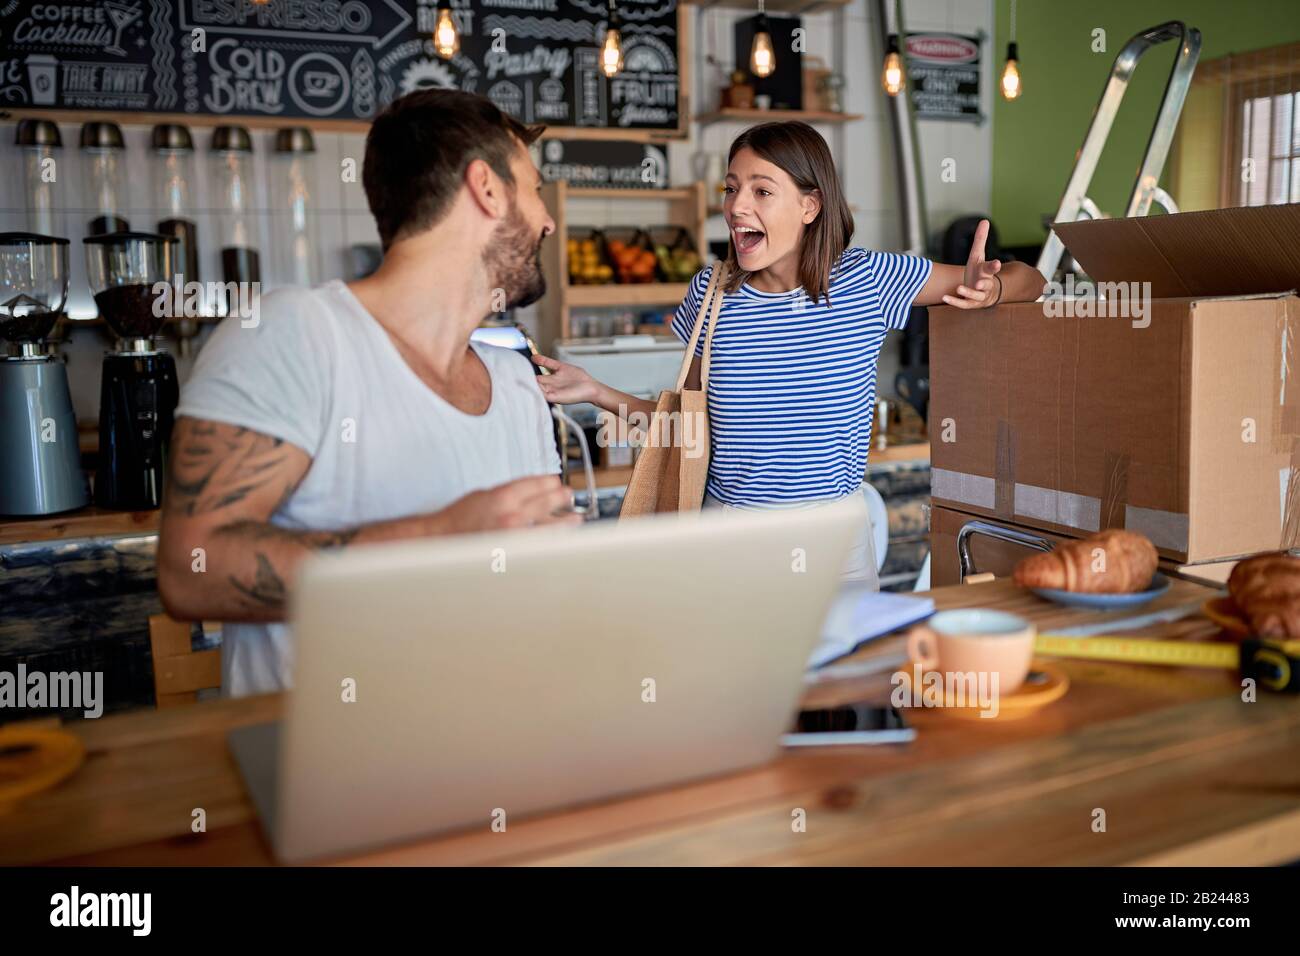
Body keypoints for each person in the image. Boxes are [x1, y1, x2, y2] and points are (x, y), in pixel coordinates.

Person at [157, 90, 580, 696]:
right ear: (486, 188)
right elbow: (188, 571)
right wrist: (442, 538)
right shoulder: (294, 334)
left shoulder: (515, 382)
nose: (547, 220)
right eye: (535, 190)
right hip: (326, 773)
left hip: (500, 755)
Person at [535, 121, 1046, 587]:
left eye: (761, 191)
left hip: (833, 539)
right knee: (731, 687)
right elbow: (687, 428)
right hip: (726, 537)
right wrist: (595, 391)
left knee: (843, 684)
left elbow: (1033, 280)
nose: (736, 207)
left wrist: (990, 290)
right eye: (732, 189)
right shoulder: (711, 296)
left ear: (810, 205)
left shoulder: (865, 279)